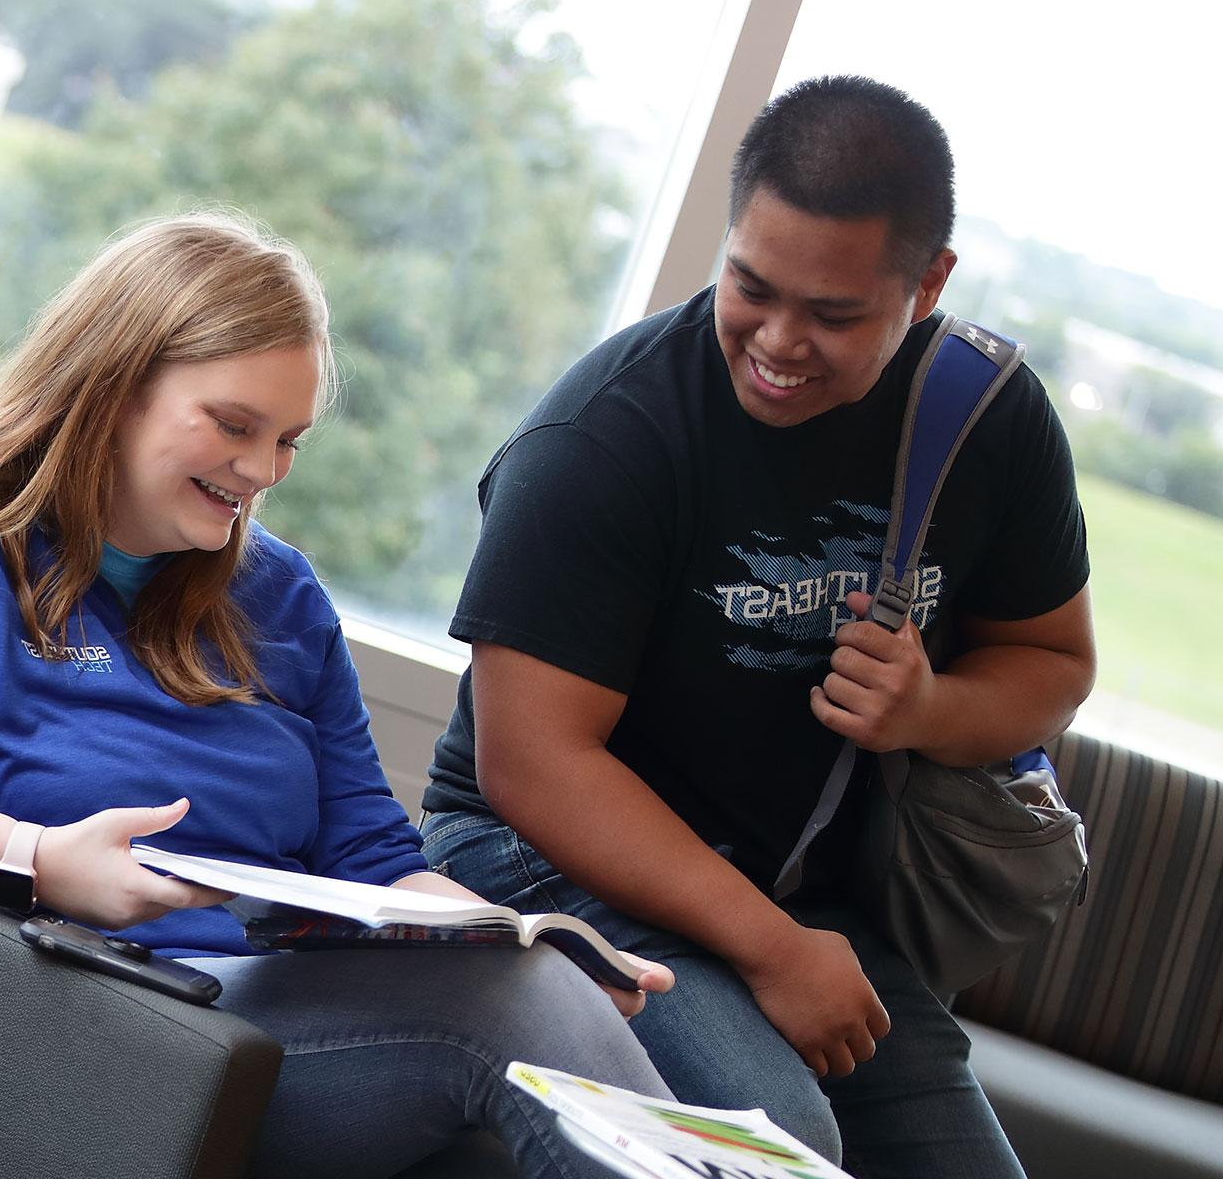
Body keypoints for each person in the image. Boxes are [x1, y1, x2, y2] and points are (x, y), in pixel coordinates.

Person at [0, 212, 674, 1179]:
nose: (261, 474)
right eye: (234, 426)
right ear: (117, 385)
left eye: (288, 440)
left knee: (524, 1022)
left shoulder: (281, 594)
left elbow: (370, 857)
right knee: (512, 1014)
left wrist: (524, 942)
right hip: (46, 1008)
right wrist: (39, 861)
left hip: (233, 1028)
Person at [419, 76, 1095, 1178]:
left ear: (928, 284)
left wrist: (930, 708)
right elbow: (532, 762)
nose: (778, 342)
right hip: (540, 863)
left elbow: (1056, 665)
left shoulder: (986, 417)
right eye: (751, 287)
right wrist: (776, 952)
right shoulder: (605, 438)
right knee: (783, 1152)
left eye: (833, 314)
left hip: (805, 903)